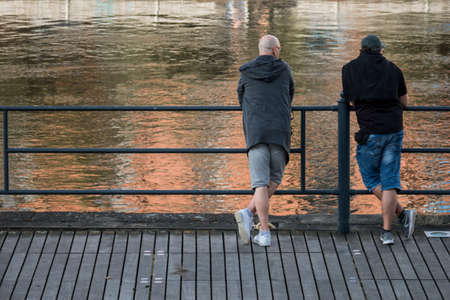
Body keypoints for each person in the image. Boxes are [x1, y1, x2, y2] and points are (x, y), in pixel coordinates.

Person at [342, 34, 416, 245]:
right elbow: (404, 102)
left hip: (370, 131)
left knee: (372, 180)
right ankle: (387, 231)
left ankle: (402, 215)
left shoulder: (349, 69)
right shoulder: (394, 69)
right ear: (381, 50)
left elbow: (351, 100)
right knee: (390, 180)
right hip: (394, 129)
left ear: (361, 49)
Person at [234, 35, 294, 247]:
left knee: (262, 182)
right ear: (276, 50)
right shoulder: (284, 69)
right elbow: (290, 94)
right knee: (274, 178)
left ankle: (250, 215)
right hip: (279, 130)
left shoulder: (246, 72)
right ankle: (263, 229)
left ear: (260, 49)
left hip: (256, 131)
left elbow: (241, 98)